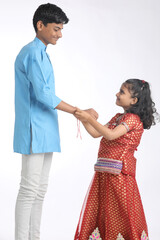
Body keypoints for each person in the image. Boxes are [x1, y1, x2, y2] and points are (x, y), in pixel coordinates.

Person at [13, 3, 98, 240]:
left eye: (61, 30)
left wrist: (79, 112)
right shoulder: (31, 52)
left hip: (46, 128)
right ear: (40, 25)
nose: (60, 34)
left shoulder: (41, 53)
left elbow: (45, 94)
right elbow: (43, 95)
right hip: (33, 129)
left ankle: (34, 237)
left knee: (39, 191)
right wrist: (78, 111)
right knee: (29, 190)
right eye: (56, 29)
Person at [74, 79, 159, 240]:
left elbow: (110, 135)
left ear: (134, 101)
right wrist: (83, 118)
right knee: (103, 213)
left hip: (120, 177)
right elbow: (96, 133)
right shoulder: (118, 117)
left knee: (119, 215)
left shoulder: (133, 119)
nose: (117, 94)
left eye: (122, 92)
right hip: (104, 174)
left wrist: (90, 118)